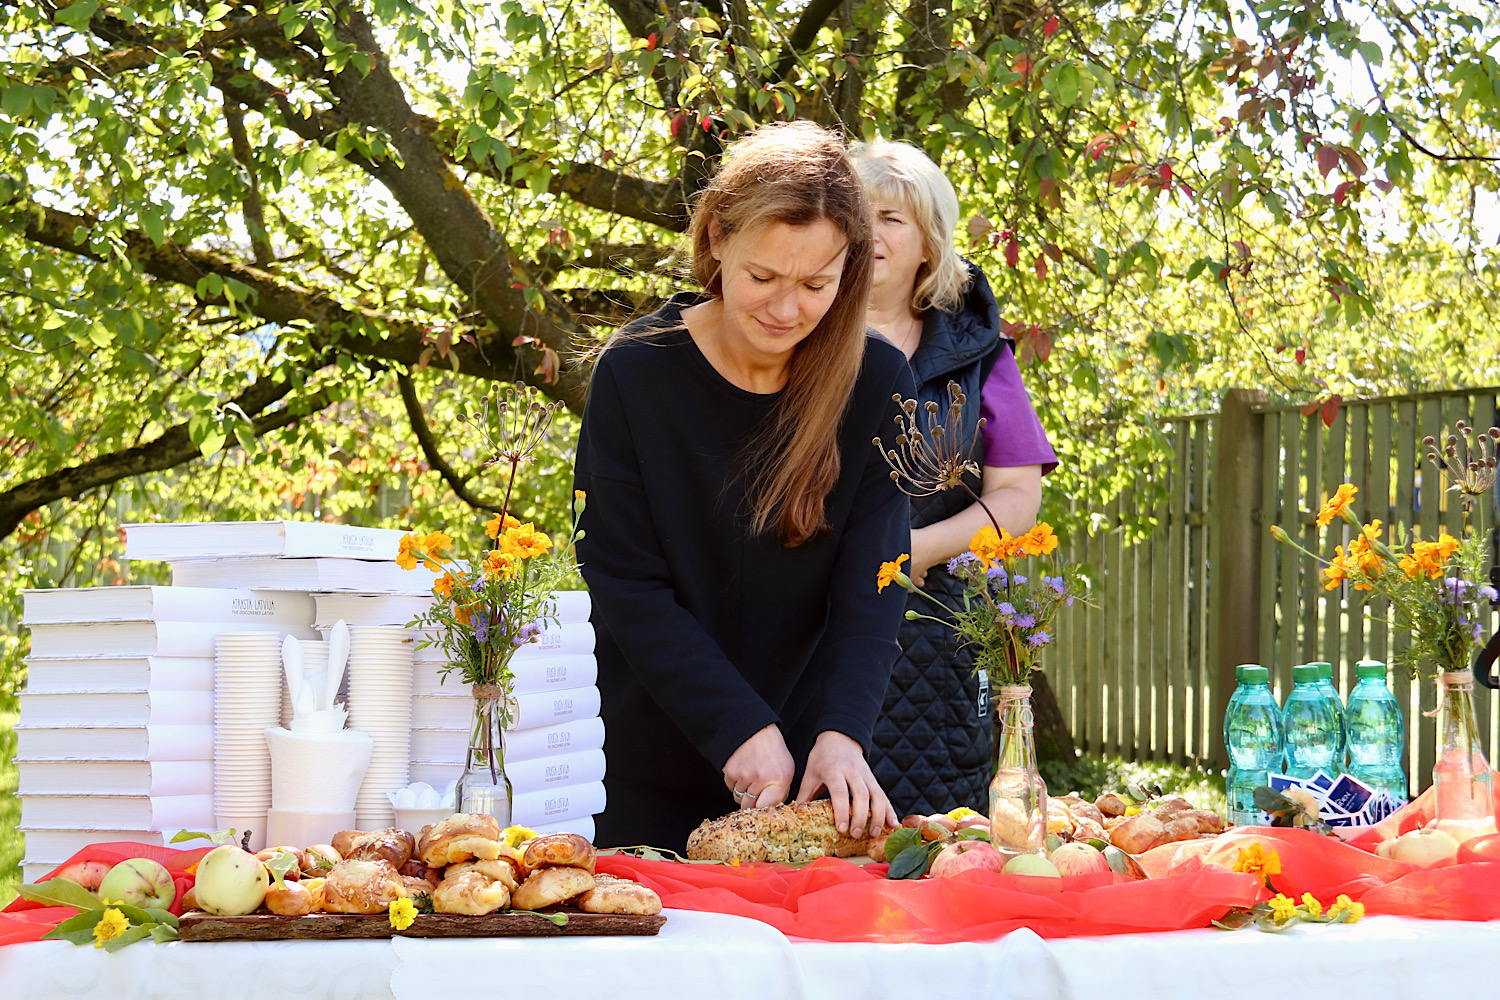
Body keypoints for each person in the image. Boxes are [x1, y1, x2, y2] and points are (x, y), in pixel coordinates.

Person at [574, 122, 915, 853]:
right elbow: (624, 580)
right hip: (637, 769)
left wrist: (843, 733)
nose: (786, 310)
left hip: (810, 781)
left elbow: (876, 582)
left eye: (816, 285)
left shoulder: (879, 382)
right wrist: (735, 723)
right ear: (717, 239)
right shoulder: (634, 372)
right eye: (763, 277)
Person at [850, 139, 1059, 817]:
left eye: (891, 218)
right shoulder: (789, 337)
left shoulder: (980, 358)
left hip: (935, 637)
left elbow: (1017, 499)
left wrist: (913, 551)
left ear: (929, 245)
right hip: (806, 633)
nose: (869, 232)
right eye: (855, 214)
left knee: (936, 842)